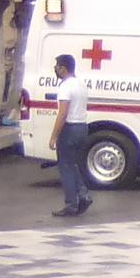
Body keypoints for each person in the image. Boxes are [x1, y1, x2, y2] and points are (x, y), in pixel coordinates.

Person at [49, 54, 92, 217]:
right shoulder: (81, 84)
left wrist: (54, 136)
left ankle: (71, 204)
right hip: (82, 127)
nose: (56, 69)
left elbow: (62, 113)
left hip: (70, 129)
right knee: (73, 165)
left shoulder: (65, 86)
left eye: (57, 67)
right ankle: (83, 195)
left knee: (65, 167)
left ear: (63, 68)